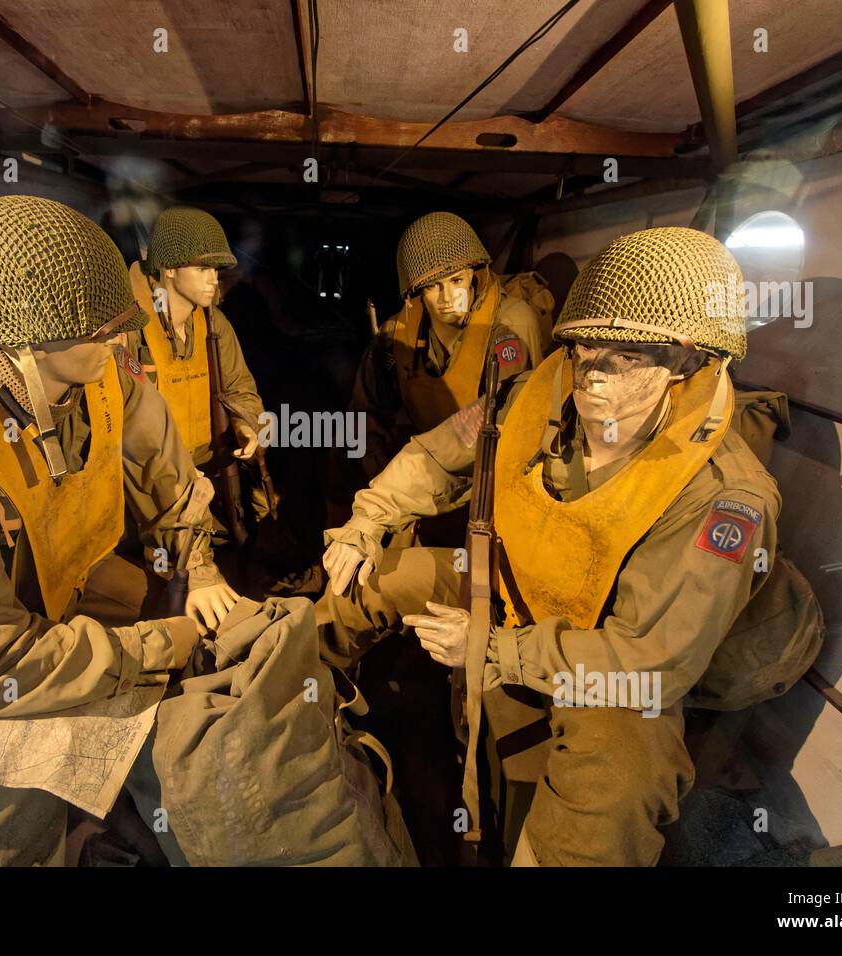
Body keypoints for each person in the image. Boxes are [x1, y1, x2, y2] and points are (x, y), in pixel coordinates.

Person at [317, 226, 784, 866]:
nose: (592, 370)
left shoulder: (720, 496)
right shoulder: (537, 393)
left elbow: (649, 658)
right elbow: (440, 456)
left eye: (625, 353)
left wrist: (491, 649)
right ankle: (289, 683)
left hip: (611, 663)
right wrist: (367, 520)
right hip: (518, 590)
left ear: (688, 361)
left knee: (622, 773)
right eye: (583, 344)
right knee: (377, 575)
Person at [0, 195, 240, 865]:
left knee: (183, 645)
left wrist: (198, 568)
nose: (122, 342)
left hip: (68, 591)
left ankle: (120, 815)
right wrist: (155, 645)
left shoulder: (95, 376)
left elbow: (165, 472)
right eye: (103, 331)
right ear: (26, 341)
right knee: (20, 777)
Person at [348, 211, 551, 486]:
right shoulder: (396, 333)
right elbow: (365, 414)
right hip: (423, 471)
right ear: (417, 292)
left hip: (489, 468)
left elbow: (513, 420)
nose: (448, 298)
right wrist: (384, 477)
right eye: (433, 286)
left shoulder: (509, 325)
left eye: (456, 281)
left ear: (472, 275)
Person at [124, 206, 277, 521]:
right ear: (169, 269)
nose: (213, 280)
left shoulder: (214, 324)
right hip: (147, 484)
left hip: (210, 472)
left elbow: (238, 386)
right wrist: (173, 469)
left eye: (216, 270)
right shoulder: (131, 327)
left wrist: (246, 425)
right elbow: (121, 420)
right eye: (202, 269)